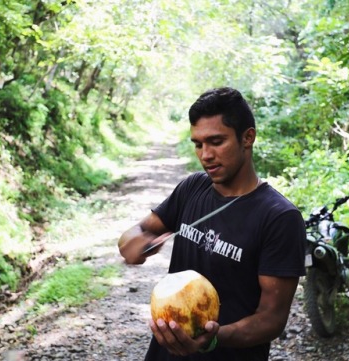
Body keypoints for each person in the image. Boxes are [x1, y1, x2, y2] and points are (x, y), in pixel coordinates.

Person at [118, 87, 306, 361]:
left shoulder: (279, 217)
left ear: (247, 138)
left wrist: (212, 339)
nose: (205, 155)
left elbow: (271, 319)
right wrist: (132, 244)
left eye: (216, 142)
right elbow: (138, 232)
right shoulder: (193, 187)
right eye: (198, 144)